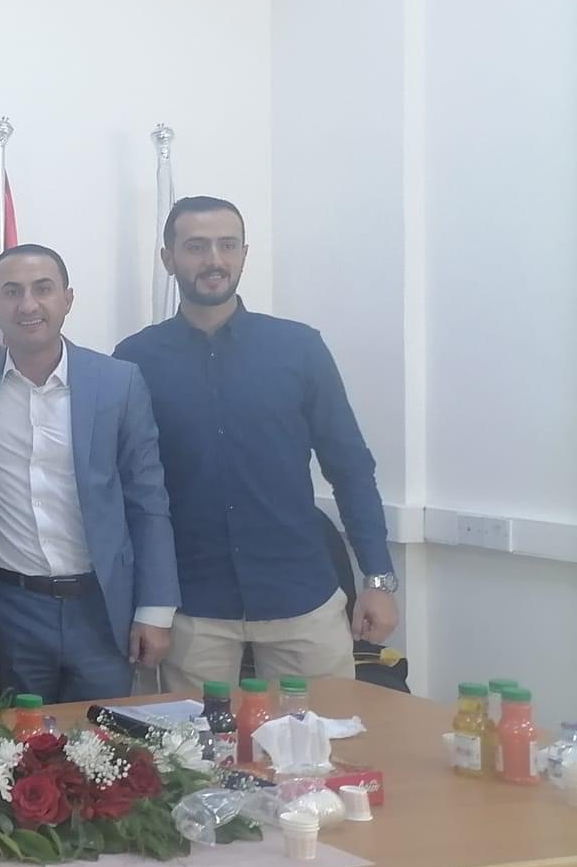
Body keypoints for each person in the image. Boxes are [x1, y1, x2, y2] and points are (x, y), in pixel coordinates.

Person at [116, 196, 396, 696]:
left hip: (301, 599)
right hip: (192, 608)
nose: (214, 260)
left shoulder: (299, 349)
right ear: (168, 259)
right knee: (194, 744)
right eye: (196, 247)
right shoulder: (135, 358)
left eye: (227, 245)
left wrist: (377, 579)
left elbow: (351, 467)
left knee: (320, 739)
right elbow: (124, 488)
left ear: (244, 254)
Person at [0, 244, 177, 703]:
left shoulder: (118, 382)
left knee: (100, 740)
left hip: (102, 609)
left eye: (42, 289)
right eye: (12, 291)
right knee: (8, 741)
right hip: (5, 609)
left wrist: (156, 609)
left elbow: (148, 499)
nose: (28, 304)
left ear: (67, 298)